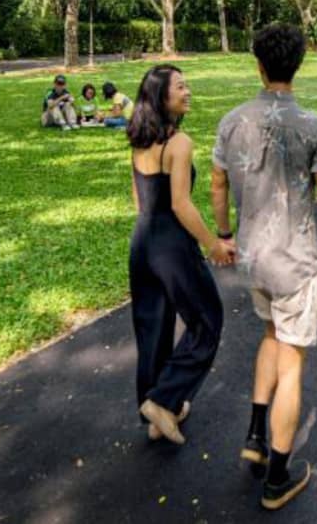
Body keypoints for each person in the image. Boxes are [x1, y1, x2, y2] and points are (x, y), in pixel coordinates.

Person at [211, 24, 317, 511]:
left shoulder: (232, 121)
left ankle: (255, 436)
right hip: (295, 262)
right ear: (298, 64)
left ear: (258, 63)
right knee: (292, 362)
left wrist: (223, 234)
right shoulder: (313, 126)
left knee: (272, 337)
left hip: (253, 259)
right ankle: (277, 477)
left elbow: (217, 184)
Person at [126, 64, 235, 445]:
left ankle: (159, 412)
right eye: (180, 87)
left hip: (142, 241)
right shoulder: (180, 143)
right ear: (162, 96)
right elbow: (181, 205)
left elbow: (138, 197)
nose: (187, 91)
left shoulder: (139, 139)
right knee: (207, 319)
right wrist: (213, 243)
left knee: (152, 328)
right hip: (172, 245)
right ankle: (164, 398)